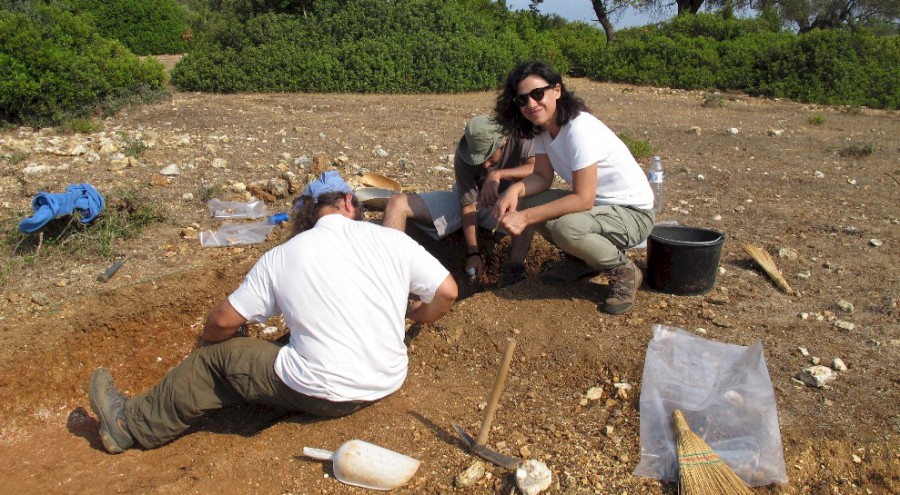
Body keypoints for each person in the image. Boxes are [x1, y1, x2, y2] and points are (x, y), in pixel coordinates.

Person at [87, 171, 458, 454]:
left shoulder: (283, 256)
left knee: (213, 362)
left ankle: (129, 424)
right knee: (287, 346)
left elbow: (221, 321)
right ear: (349, 203)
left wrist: (215, 345)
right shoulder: (391, 239)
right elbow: (447, 291)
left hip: (331, 392)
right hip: (388, 380)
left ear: (308, 216)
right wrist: (418, 316)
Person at [493, 60, 655, 315]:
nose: (531, 104)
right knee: (526, 200)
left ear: (557, 90)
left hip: (632, 214)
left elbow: (583, 199)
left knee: (566, 229)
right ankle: (583, 261)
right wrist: (513, 191)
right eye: (522, 100)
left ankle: (623, 270)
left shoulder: (579, 129)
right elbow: (542, 177)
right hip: (601, 210)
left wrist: (524, 218)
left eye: (537, 94)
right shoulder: (542, 130)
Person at [382, 115, 535, 285]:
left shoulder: (520, 135)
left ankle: (514, 273)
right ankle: (389, 277)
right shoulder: (463, 156)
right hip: (471, 201)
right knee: (397, 202)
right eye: (479, 159)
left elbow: (537, 169)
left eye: (489, 157)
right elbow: (468, 205)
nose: (485, 165)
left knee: (530, 204)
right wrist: (473, 253)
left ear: (503, 142)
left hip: (509, 203)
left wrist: (498, 174)